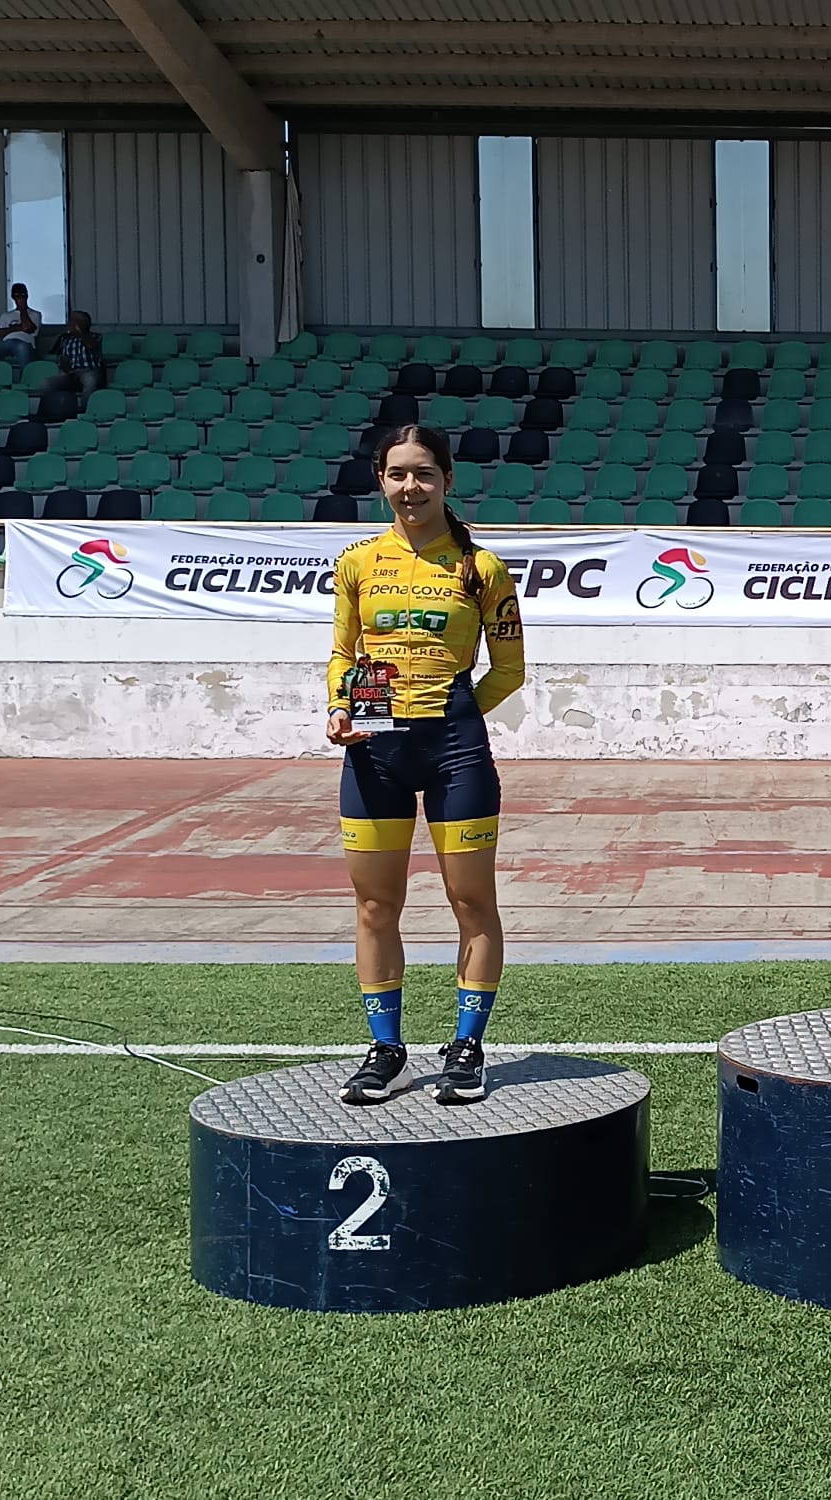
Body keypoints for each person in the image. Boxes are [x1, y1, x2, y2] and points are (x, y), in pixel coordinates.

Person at [325, 425, 526, 1106]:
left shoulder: (482, 567)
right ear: (380, 481)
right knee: (376, 905)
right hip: (373, 751)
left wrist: (453, 711)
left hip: (454, 753)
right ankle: (387, 1050)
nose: (410, 488)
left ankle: (467, 1046)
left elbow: (510, 670)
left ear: (447, 481)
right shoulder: (355, 561)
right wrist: (339, 708)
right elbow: (343, 653)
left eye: (424, 475)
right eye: (397, 474)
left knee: (472, 902)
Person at [52, 311, 103, 408]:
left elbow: (91, 345)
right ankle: (57, 408)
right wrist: (67, 368)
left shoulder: (95, 336)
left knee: (90, 380)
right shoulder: (67, 340)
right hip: (71, 372)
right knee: (48, 383)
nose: (69, 324)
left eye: (73, 322)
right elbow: (64, 359)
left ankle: (85, 409)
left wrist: (81, 331)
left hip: (89, 371)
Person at [0, 284, 39, 375]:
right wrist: (19, 327)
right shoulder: (6, 315)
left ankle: (25, 380)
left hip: (24, 343)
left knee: (21, 347)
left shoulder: (35, 314)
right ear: (13, 297)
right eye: (17, 296)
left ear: (27, 296)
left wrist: (23, 309)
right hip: (6, 343)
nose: (20, 298)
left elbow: (28, 328)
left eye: (22, 295)